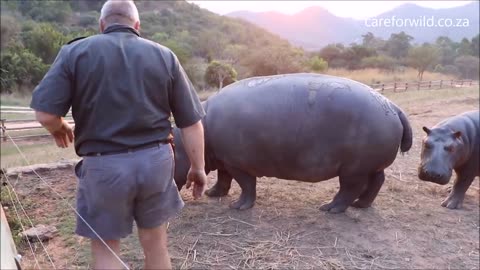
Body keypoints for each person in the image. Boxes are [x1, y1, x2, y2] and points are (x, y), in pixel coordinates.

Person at [29, 0, 208, 269]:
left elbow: (44, 114)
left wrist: (60, 127)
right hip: (156, 162)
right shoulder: (164, 55)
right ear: (137, 25)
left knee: (106, 250)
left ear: (102, 25)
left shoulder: (75, 52)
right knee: (156, 245)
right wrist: (198, 168)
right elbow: (191, 123)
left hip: (104, 167)